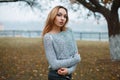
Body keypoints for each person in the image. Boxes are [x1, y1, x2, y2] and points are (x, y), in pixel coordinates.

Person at [42, 5, 81, 80]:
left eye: (65, 16)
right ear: (53, 16)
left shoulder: (69, 31)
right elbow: (54, 64)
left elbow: (76, 54)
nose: (62, 18)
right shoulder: (48, 37)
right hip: (56, 75)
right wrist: (75, 60)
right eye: (59, 15)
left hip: (68, 75)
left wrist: (69, 70)